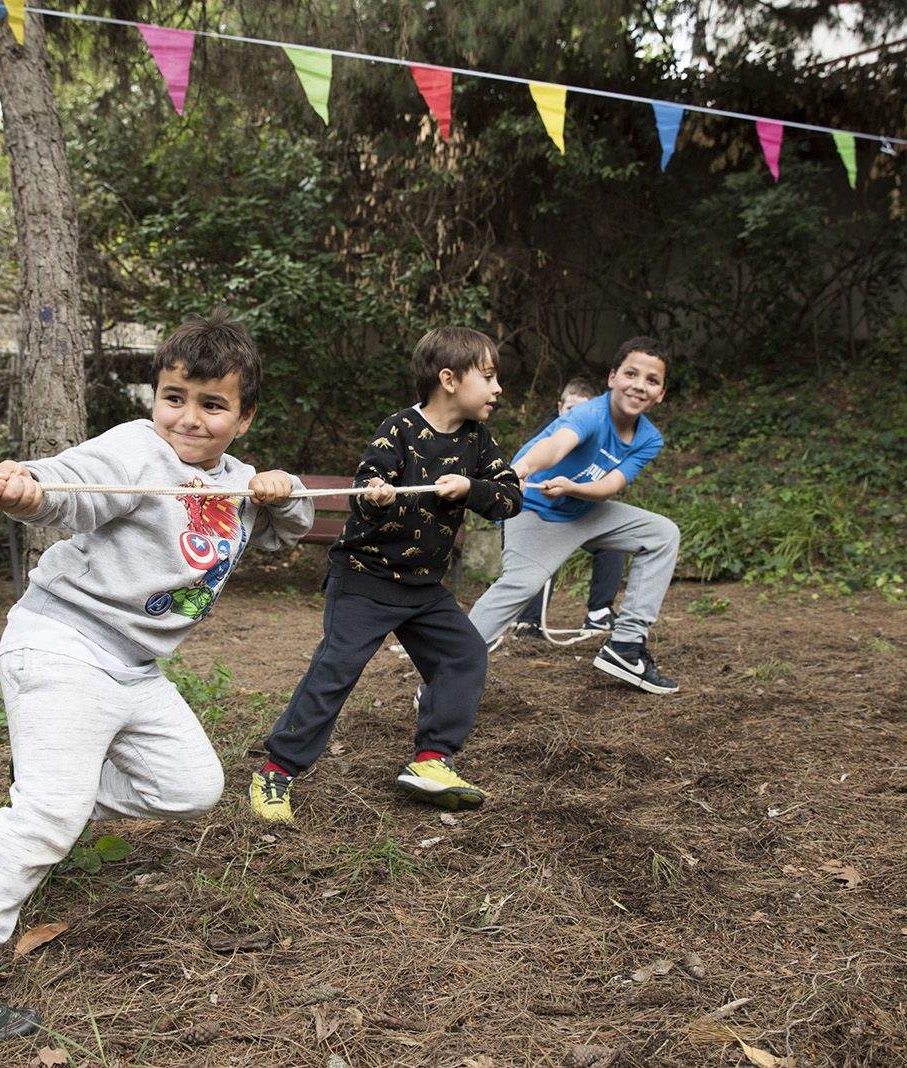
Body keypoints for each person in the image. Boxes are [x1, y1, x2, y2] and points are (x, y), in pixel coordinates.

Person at [0, 311, 313, 1042]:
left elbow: (289, 526)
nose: (189, 419)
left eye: (213, 404)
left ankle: (52, 795)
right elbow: (74, 482)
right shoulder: (135, 450)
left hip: (135, 668)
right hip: (63, 644)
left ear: (244, 416)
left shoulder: (237, 481)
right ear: (155, 396)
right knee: (45, 813)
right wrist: (30, 487)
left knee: (189, 787)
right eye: (175, 396)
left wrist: (283, 489)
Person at [249, 327, 523, 824]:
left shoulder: (477, 441)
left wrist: (470, 489)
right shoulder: (397, 430)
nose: (497, 387)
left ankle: (432, 760)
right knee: (335, 673)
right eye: (488, 376)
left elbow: (510, 497)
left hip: (423, 588)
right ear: (449, 379)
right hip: (365, 579)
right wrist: (377, 496)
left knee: (463, 654)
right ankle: (276, 770)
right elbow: (365, 487)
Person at [452, 336, 680, 694]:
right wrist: (524, 467)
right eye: (631, 374)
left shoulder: (648, 438)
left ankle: (625, 647)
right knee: (521, 584)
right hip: (536, 510)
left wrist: (572, 488)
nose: (639, 386)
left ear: (661, 393)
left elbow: (609, 486)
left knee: (662, 534)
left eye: (652, 380)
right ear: (612, 378)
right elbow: (557, 445)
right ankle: (449, 673)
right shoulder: (589, 413)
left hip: (585, 509)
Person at [510, 376, 627, 638]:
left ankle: (599, 613)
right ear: (561, 408)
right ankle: (529, 621)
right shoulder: (552, 434)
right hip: (538, 510)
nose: (579, 415)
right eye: (572, 408)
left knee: (613, 543)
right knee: (541, 557)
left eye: (585, 409)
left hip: (577, 511)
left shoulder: (601, 435)